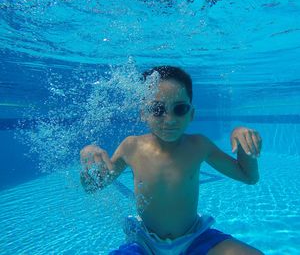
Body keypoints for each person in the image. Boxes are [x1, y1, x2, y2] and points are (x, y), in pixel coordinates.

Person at [80, 66, 264, 254]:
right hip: (144, 242)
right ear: (144, 113)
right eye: (158, 109)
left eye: (180, 109)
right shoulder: (131, 147)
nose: (169, 120)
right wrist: (88, 156)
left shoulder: (199, 146)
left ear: (191, 113)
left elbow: (248, 176)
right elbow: (92, 187)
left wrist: (242, 143)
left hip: (194, 236)